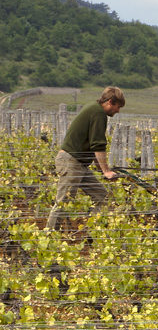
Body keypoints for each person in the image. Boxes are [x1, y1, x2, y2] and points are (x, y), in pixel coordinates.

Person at [45, 86, 125, 230]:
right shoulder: (98, 113)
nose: (118, 111)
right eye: (118, 107)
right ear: (110, 102)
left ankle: (90, 231)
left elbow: (92, 144)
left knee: (101, 195)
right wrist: (106, 171)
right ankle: (49, 236)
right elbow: (98, 145)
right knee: (63, 202)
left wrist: (101, 169)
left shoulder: (94, 109)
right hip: (71, 162)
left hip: (79, 163)